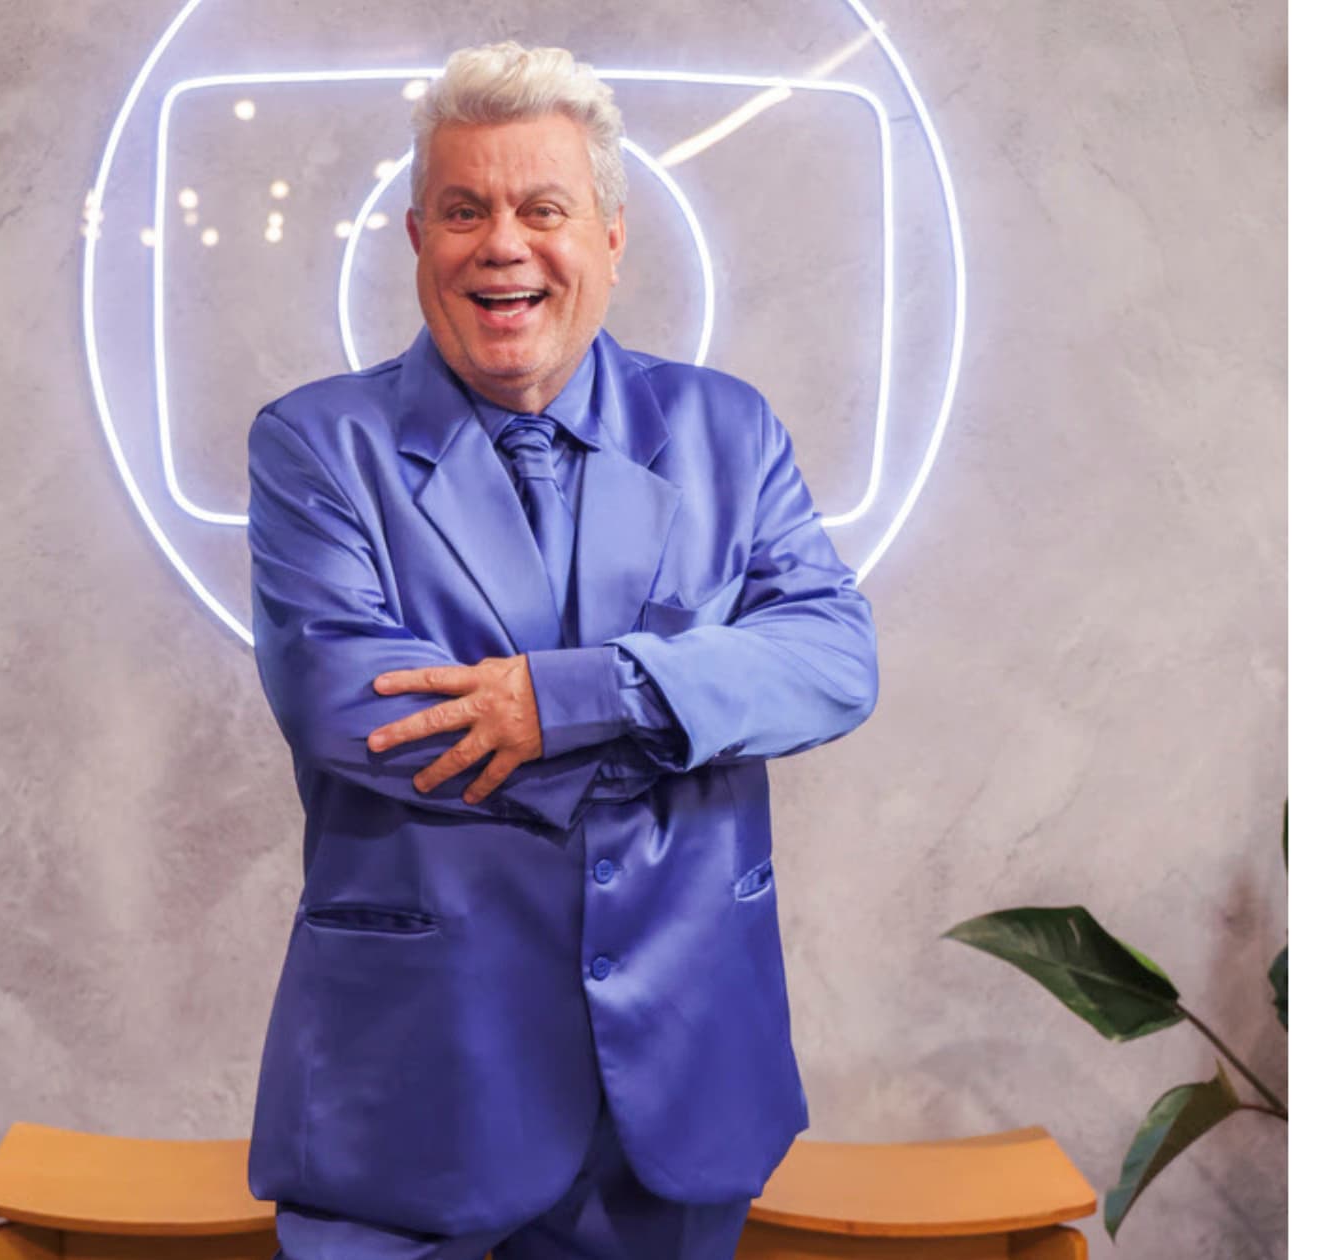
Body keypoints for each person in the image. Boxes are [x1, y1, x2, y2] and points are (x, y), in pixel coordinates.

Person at [244, 41, 880, 1260]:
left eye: (543, 209)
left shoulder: (728, 429)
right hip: (412, 1099)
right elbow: (348, 707)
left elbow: (832, 658)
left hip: (677, 1089)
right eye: (463, 210)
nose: (502, 245)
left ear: (611, 237)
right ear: (415, 237)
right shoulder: (318, 446)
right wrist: (690, 708)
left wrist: (573, 695)